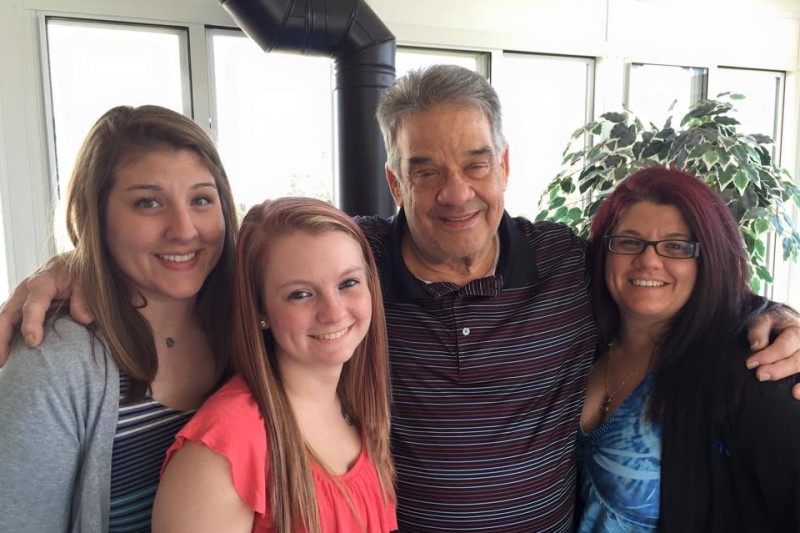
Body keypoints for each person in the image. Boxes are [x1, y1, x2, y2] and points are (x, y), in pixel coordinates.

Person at [2, 65, 800, 531]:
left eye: (476, 162)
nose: (455, 191)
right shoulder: (354, 266)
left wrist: (765, 313)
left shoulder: (565, 263)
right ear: (393, 179)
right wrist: (78, 265)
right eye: (424, 168)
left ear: (505, 166)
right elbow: (226, 257)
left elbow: (657, 274)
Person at [0, 104, 238, 531]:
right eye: (149, 202)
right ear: (94, 216)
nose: (184, 229)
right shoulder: (53, 365)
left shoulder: (254, 326)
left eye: (201, 199)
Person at [151, 197, 397, 532]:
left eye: (348, 283)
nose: (334, 312)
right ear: (260, 310)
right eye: (300, 294)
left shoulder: (356, 404)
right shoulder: (225, 446)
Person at [577, 167, 800, 532]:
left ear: (709, 258)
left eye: (676, 246)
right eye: (629, 241)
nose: (649, 260)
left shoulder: (754, 367)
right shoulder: (579, 342)